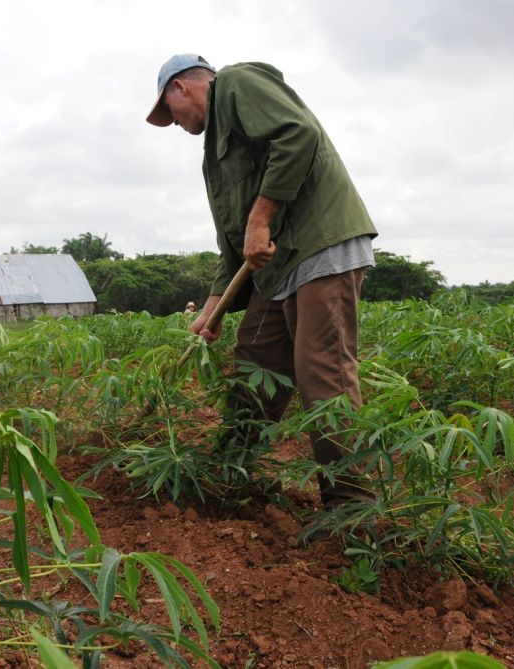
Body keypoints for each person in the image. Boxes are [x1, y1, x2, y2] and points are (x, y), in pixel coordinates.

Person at [146, 54, 378, 505]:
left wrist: (261, 217)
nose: (173, 124)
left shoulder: (234, 83)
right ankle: (226, 475)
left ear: (182, 88)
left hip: (318, 246)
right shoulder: (214, 162)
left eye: (168, 112)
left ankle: (351, 511)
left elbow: (298, 134)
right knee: (254, 361)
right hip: (276, 268)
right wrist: (212, 309)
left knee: (322, 374)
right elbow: (233, 245)